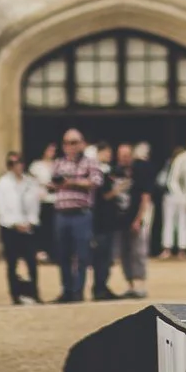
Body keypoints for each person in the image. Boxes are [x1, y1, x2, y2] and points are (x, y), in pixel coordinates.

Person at [45, 130, 103, 304]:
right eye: (67, 143)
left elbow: (96, 182)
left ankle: (78, 291)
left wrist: (71, 182)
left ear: (82, 143)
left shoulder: (90, 163)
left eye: (74, 142)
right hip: (62, 213)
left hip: (81, 214)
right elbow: (52, 184)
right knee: (62, 255)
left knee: (81, 255)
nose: (70, 147)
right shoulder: (59, 163)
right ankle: (66, 290)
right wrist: (54, 185)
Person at [90, 144, 147, 304]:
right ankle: (114, 286)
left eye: (127, 155)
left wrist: (138, 219)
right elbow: (104, 196)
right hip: (114, 223)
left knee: (137, 253)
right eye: (121, 155)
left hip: (133, 220)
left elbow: (145, 197)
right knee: (117, 255)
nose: (124, 158)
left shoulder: (139, 172)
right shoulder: (107, 173)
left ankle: (139, 285)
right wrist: (117, 190)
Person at [0, 152, 42, 305]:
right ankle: (15, 294)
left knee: (31, 263)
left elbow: (35, 204)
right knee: (12, 263)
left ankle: (34, 293)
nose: (17, 166)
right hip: (10, 228)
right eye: (12, 163)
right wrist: (14, 224)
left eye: (19, 162)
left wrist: (31, 222)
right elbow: (1, 208)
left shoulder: (30, 182)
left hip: (28, 227)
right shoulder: (3, 184)